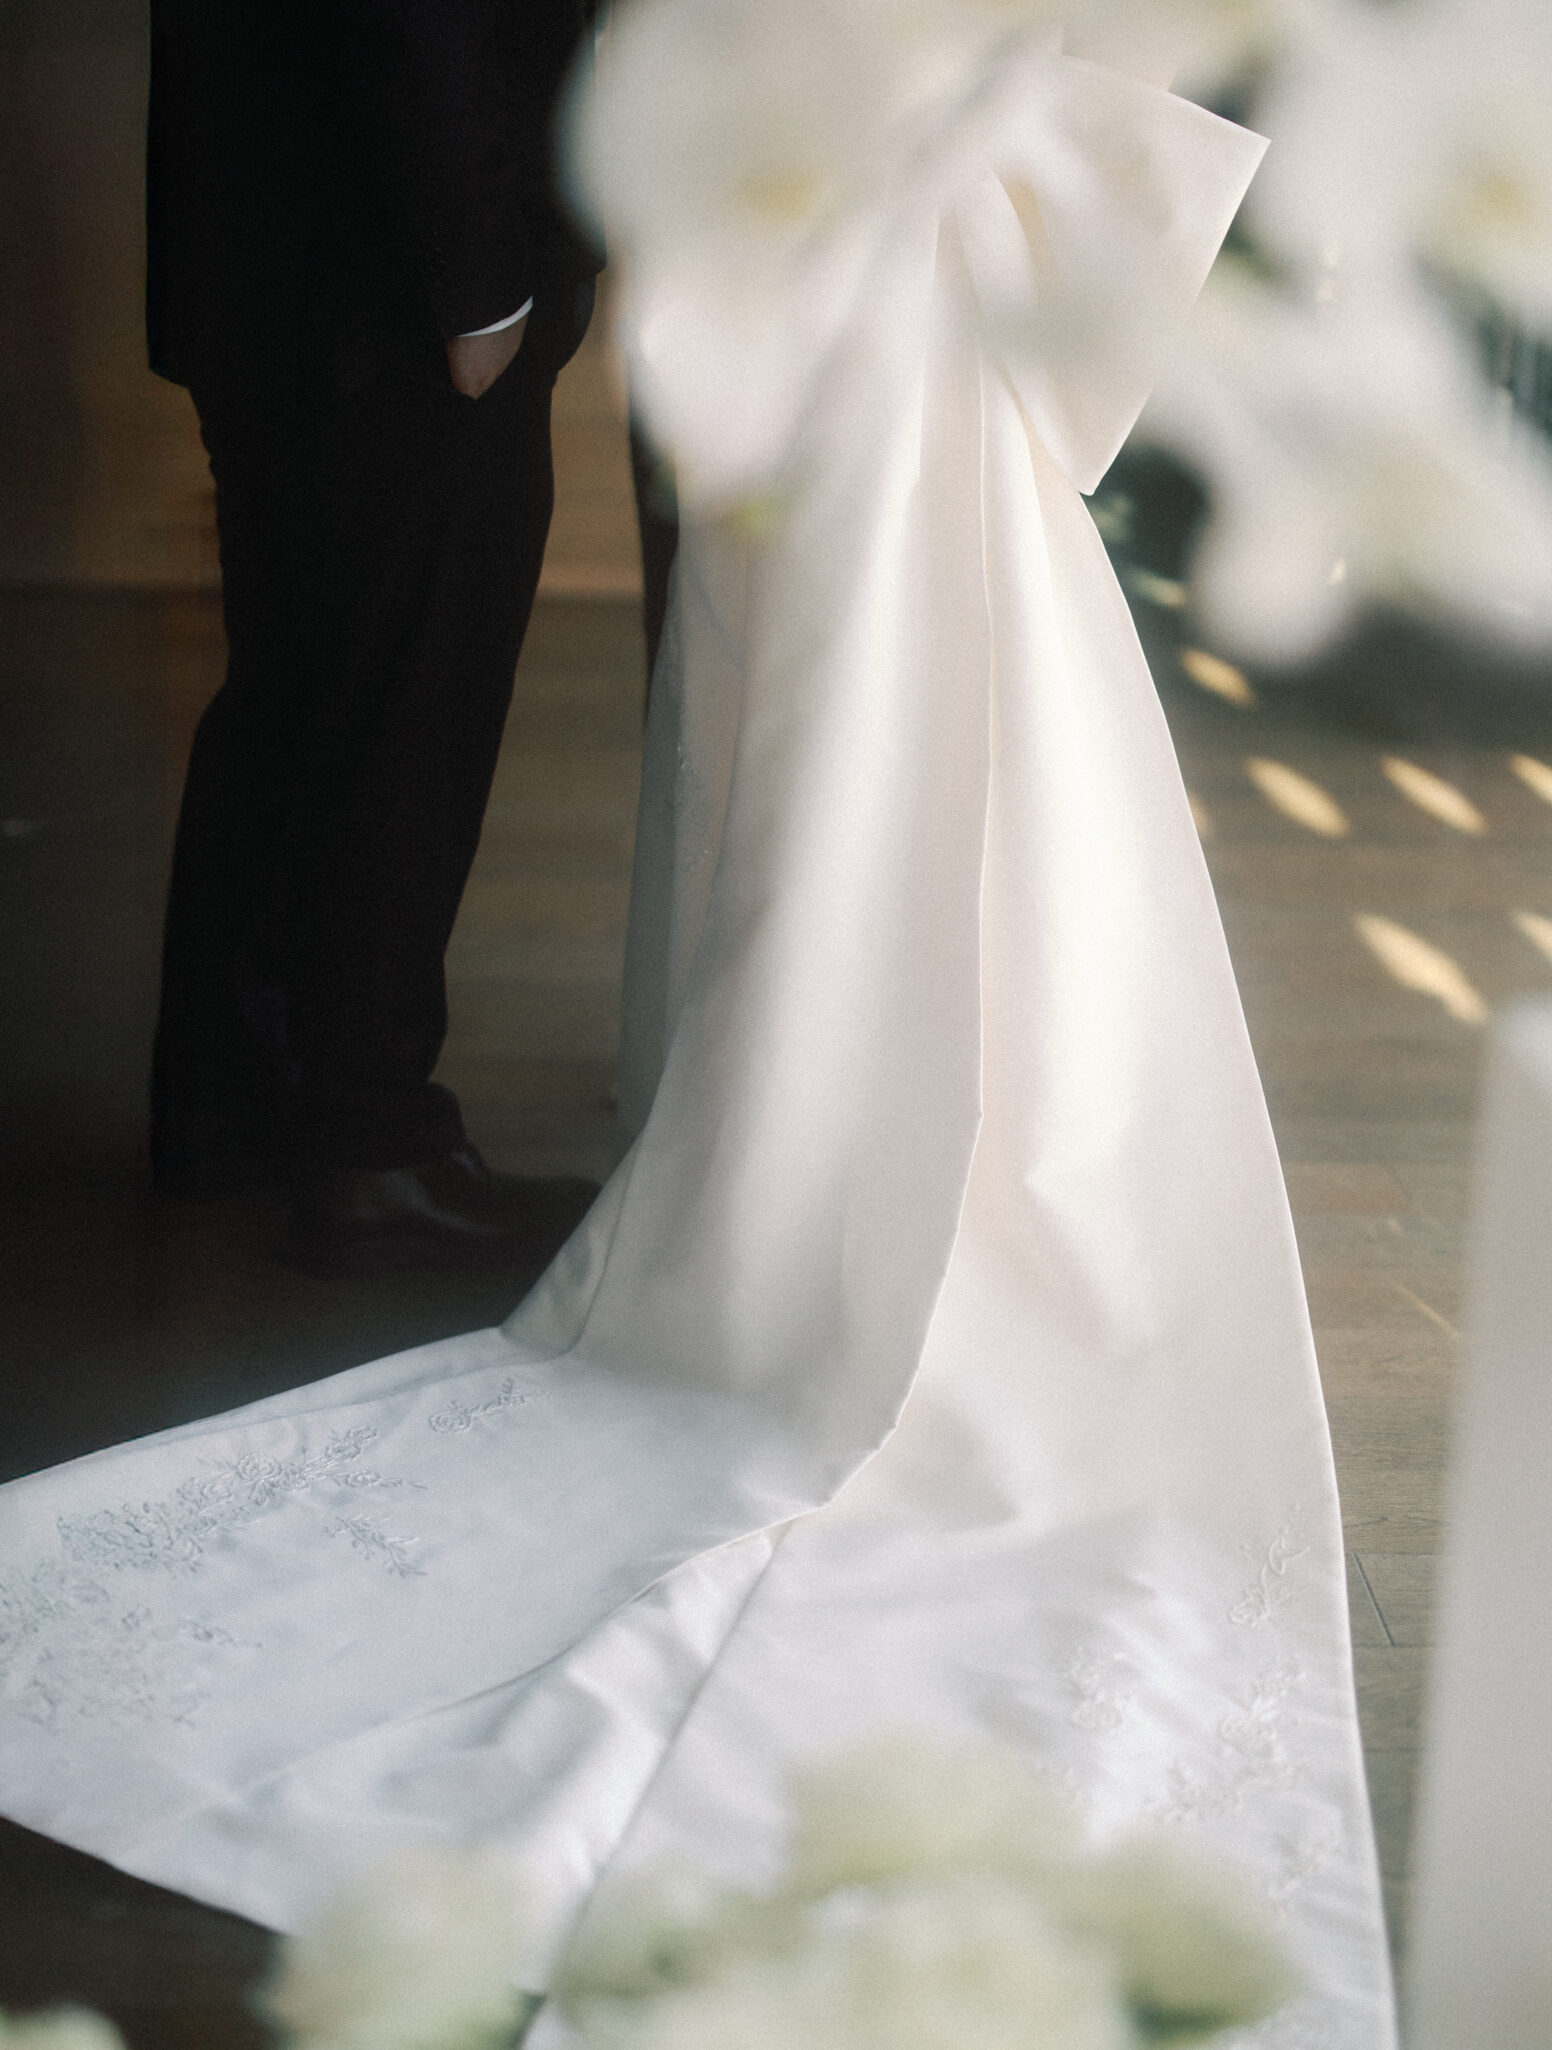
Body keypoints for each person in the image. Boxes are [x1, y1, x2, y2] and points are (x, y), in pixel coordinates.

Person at [0, 6, 1397, 2043]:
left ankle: (332, 1107)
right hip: (602, 229)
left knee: (559, 696)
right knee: (451, 691)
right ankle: (375, 1121)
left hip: (786, 217)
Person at [145, 0, 601, 1272]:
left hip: (275, 247)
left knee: (299, 686)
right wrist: (477, 284)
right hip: (392, 282)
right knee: (409, 709)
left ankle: (234, 1101)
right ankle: (367, 1144)